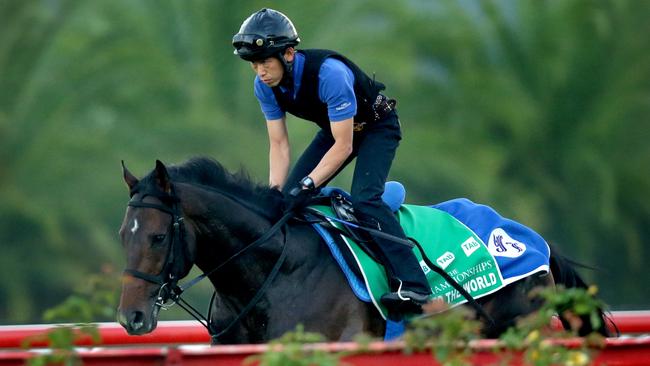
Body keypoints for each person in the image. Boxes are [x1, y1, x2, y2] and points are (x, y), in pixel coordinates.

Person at [232, 8, 432, 313]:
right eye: (254, 64)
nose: (260, 71)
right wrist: (275, 191)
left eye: (264, 62)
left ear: (288, 54)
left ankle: (415, 286)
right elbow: (279, 144)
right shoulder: (264, 86)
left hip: (376, 128)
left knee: (365, 200)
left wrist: (309, 183)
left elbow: (344, 145)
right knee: (286, 203)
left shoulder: (330, 74)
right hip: (336, 129)